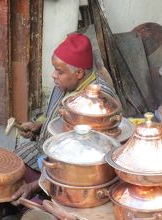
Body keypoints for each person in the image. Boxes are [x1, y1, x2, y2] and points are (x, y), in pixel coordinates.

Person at [12, 33, 117, 203]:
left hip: (73, 174)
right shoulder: (64, 84)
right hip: (43, 153)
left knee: (24, 192)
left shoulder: (98, 102)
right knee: (6, 169)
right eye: (55, 69)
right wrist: (39, 127)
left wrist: (34, 186)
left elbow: (80, 163)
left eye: (59, 71)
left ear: (79, 73)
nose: (54, 75)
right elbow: (55, 120)